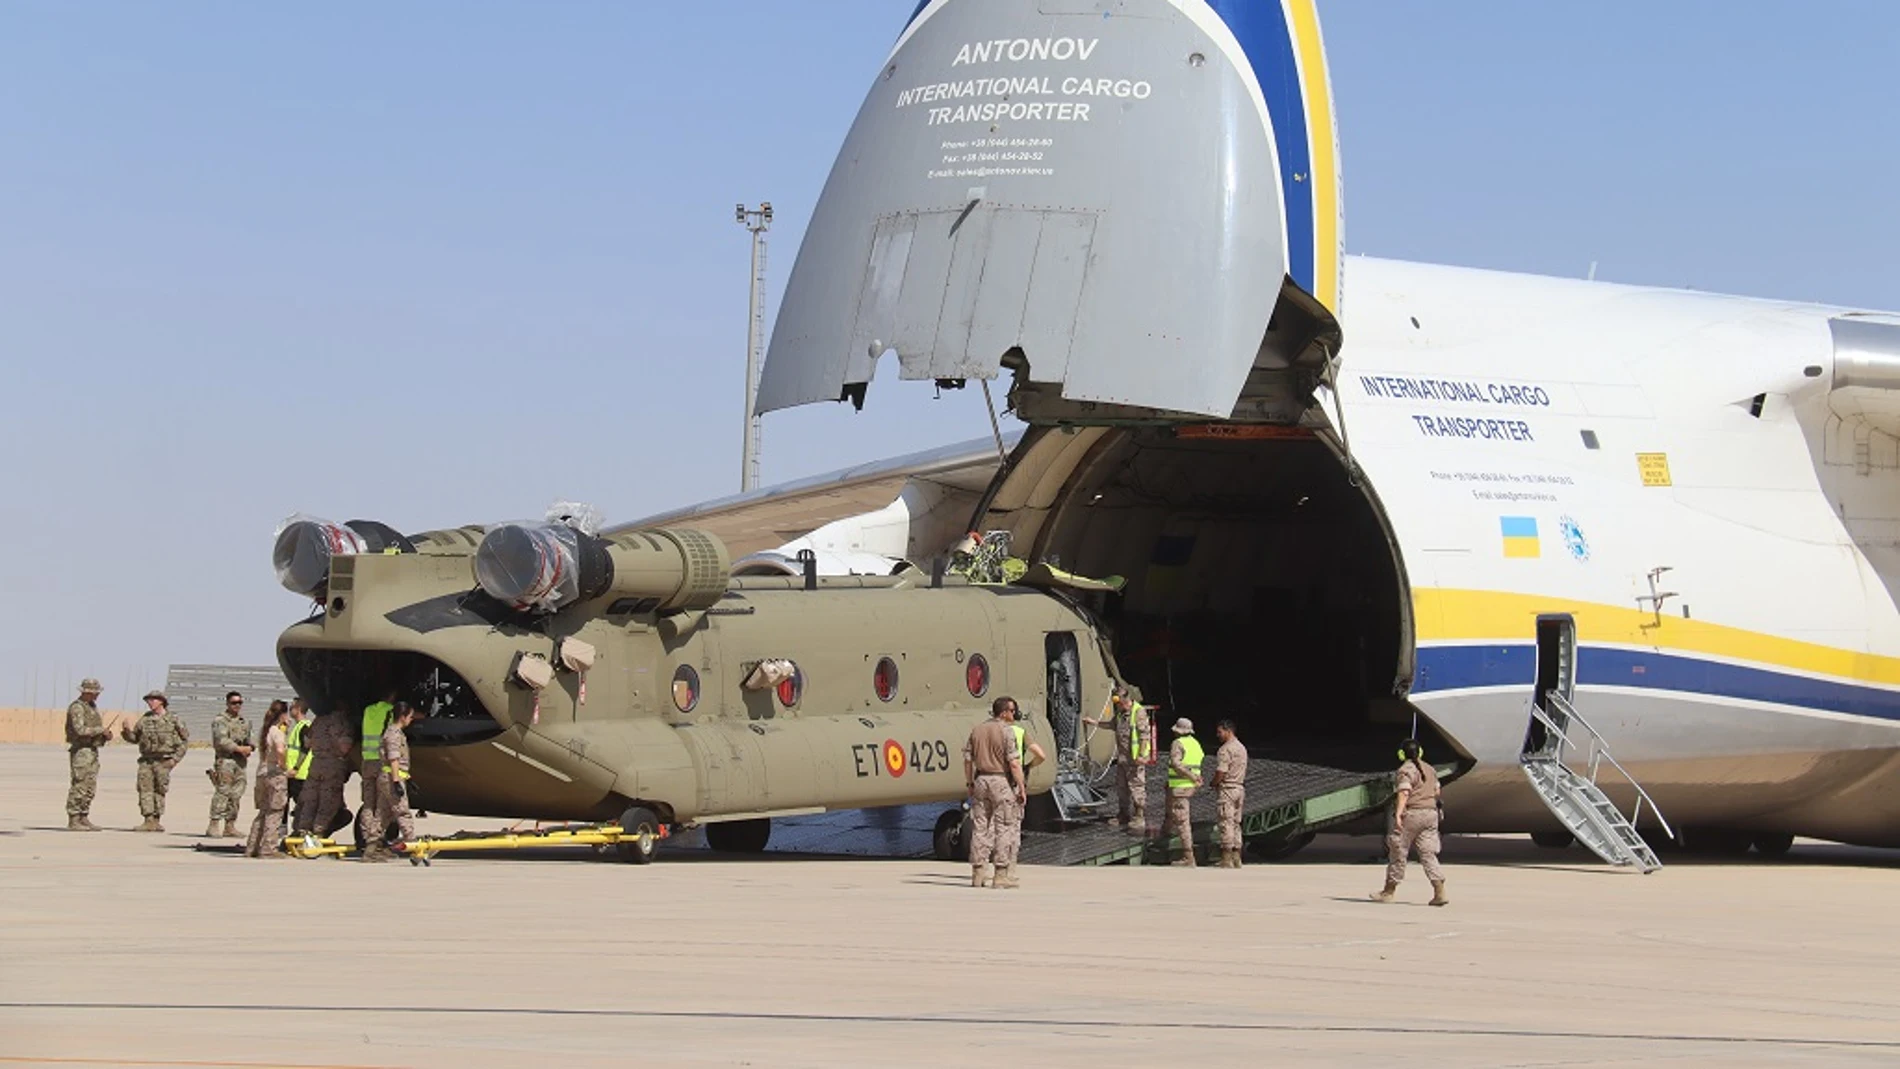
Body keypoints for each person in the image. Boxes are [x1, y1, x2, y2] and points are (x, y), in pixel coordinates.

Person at [1372, 739, 1448, 906]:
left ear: (1401, 754)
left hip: (1412, 814)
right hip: (1430, 814)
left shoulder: (1405, 770)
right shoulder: (1430, 769)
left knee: (1398, 851)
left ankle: (1389, 891)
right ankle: (1439, 890)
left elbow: (1404, 792)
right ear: (1420, 752)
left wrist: (1398, 814)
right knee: (1428, 853)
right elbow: (1437, 791)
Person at [961, 695, 1026, 889]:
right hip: (1001, 781)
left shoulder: (977, 730)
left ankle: (978, 874)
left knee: (980, 827)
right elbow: (1014, 763)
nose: (1014, 714)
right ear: (1004, 712)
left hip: (980, 779)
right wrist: (1021, 786)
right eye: (1012, 711)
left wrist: (969, 782)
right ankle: (1000, 874)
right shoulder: (1006, 732)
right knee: (1004, 827)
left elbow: (967, 760)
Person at [1085, 684, 1152, 832]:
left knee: (1136, 787)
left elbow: (1145, 736)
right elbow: (1112, 724)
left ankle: (1139, 816)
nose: (1116, 704)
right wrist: (1094, 723)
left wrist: (1141, 756)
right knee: (1121, 787)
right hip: (1122, 758)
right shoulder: (1121, 713)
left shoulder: (1138, 712)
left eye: (1118, 701)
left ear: (1124, 699)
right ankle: (1123, 814)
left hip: (1134, 759)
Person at [122, 690, 189, 831]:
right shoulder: (145, 719)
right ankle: (148, 820)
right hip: (147, 760)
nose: (150, 703)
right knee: (145, 789)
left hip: (164, 760)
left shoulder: (173, 719)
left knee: (160, 790)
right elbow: (135, 739)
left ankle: (157, 820)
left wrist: (175, 760)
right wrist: (127, 732)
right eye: (148, 700)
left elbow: (184, 741)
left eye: (153, 700)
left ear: (161, 701)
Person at [371, 702, 423, 861]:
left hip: (390, 776)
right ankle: (413, 847)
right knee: (402, 812)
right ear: (402, 717)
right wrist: (396, 782)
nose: (411, 720)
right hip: (391, 778)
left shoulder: (394, 732)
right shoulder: (394, 734)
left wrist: (408, 778)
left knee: (383, 814)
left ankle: (371, 848)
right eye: (410, 717)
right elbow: (393, 759)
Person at [294, 706, 355, 838]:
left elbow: (307, 742)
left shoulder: (318, 720)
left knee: (310, 799)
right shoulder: (342, 721)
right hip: (333, 765)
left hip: (316, 763)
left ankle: (302, 830)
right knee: (328, 801)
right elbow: (345, 747)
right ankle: (319, 832)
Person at [245, 701, 293, 858]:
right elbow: (280, 749)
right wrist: (284, 767)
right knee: (275, 812)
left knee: (263, 812)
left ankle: (252, 846)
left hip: (262, 774)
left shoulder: (266, 730)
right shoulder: (277, 732)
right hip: (274, 775)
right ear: (282, 714)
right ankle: (268, 848)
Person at [64, 678, 111, 831]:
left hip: (91, 750)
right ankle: (74, 818)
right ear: (86, 692)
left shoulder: (91, 707)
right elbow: (80, 730)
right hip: (81, 750)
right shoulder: (77, 708)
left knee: (89, 784)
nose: (96, 696)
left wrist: (105, 735)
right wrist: (99, 730)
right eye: (94, 693)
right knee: (80, 784)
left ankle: (84, 815)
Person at [356, 689, 398, 855]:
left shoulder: (368, 710)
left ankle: (366, 839)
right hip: (381, 762)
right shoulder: (389, 711)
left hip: (366, 760)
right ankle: (375, 842)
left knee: (368, 803)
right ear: (392, 698)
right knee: (382, 805)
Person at [206, 691, 253, 837]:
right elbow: (221, 741)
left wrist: (250, 747)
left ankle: (230, 825)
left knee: (236, 794)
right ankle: (213, 824)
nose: (237, 705)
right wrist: (239, 749)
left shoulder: (243, 722)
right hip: (226, 760)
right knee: (223, 792)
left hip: (240, 762)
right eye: (234, 703)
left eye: (239, 703)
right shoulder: (221, 720)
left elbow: (248, 739)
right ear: (227, 703)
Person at [1164, 717, 1204, 867]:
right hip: (1188, 787)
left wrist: (1192, 776)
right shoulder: (1195, 744)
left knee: (1182, 822)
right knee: (1180, 817)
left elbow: (1176, 763)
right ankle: (1167, 830)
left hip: (1181, 786)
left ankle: (1188, 857)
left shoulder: (1178, 743)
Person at [1209, 719, 1248, 869]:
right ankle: (1237, 856)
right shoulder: (1242, 748)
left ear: (1228, 731)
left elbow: (1221, 771)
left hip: (1228, 789)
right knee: (1236, 823)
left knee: (1226, 822)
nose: (1218, 735)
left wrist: (1214, 782)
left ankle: (1226, 858)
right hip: (1239, 788)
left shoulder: (1225, 750)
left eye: (1220, 732)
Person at [284, 699, 314, 825]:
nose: (290, 709)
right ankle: (284, 825)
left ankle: (302, 828)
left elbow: (305, 749)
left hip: (300, 774)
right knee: (283, 801)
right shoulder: (296, 727)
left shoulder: (305, 727)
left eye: (292, 707)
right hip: (292, 773)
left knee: (302, 805)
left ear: (298, 709)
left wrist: (296, 768)